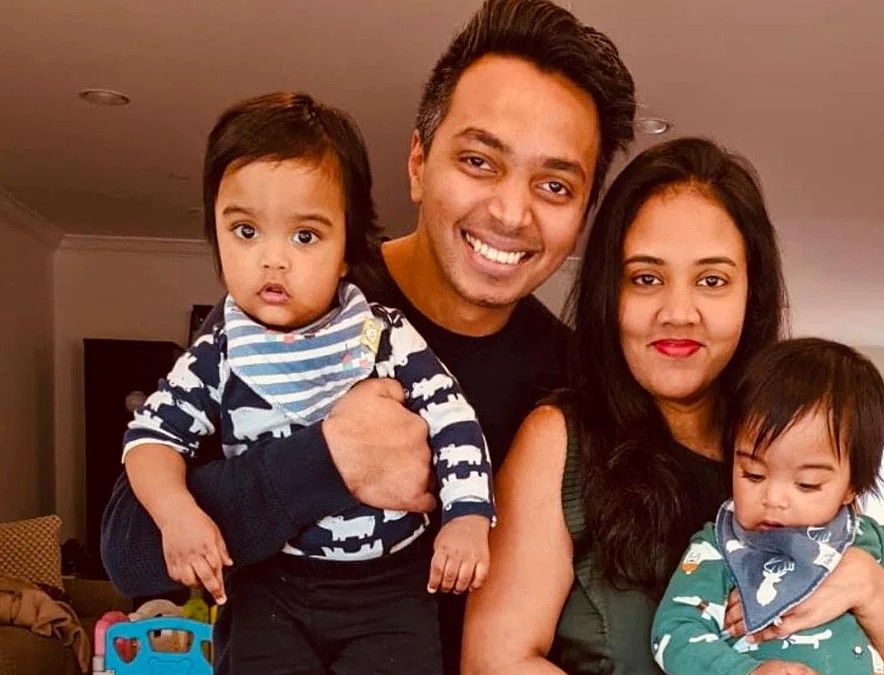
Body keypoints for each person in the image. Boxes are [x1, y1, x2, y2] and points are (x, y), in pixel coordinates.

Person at [99, 1, 637, 673]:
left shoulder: (576, 379)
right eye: (478, 160)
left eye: (555, 185)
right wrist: (327, 460)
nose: (509, 212)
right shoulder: (297, 303)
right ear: (418, 162)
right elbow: (129, 553)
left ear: (582, 215)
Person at [462, 137, 884, 675]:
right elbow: (495, 664)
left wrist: (870, 586)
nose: (679, 312)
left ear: (753, 293)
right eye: (647, 278)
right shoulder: (561, 440)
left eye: (711, 280)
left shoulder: (792, 438)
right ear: (611, 292)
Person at [119, 91, 494, 672]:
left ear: (347, 250)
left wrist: (467, 518)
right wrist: (177, 514)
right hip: (270, 587)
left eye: (305, 236)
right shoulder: (221, 350)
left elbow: (452, 419)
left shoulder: (379, 334)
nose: (273, 260)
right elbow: (149, 441)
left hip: (389, 591)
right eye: (245, 230)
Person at [651, 338, 884, 675]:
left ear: (852, 487)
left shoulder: (868, 538)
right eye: (753, 474)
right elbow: (674, 631)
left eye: (807, 484)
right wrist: (745, 671)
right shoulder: (718, 547)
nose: (773, 499)